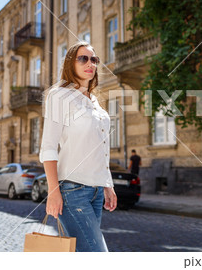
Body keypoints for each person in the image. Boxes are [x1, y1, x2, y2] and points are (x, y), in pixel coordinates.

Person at [39, 41, 117, 252]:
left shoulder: (93, 101)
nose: (90, 63)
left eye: (94, 59)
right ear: (70, 63)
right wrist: (53, 191)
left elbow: (100, 146)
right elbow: (48, 147)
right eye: (83, 58)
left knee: (85, 251)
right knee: (97, 253)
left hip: (96, 191)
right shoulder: (59, 96)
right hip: (72, 190)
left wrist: (107, 184)